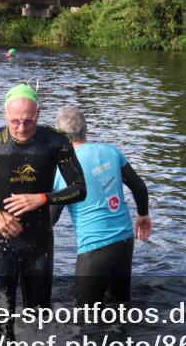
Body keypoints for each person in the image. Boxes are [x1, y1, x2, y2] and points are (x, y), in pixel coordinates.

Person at [0, 84, 87, 338]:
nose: (22, 128)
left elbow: (80, 189)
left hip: (38, 241)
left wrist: (43, 199)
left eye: (28, 121)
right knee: (2, 321)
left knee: (39, 319)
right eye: (15, 121)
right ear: (5, 115)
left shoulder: (57, 142)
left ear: (38, 114)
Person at [51, 106, 151, 306]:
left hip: (94, 249)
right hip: (124, 241)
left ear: (60, 137)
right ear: (85, 129)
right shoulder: (111, 151)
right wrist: (143, 215)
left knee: (86, 317)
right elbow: (138, 186)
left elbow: (51, 217)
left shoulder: (65, 166)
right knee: (121, 306)